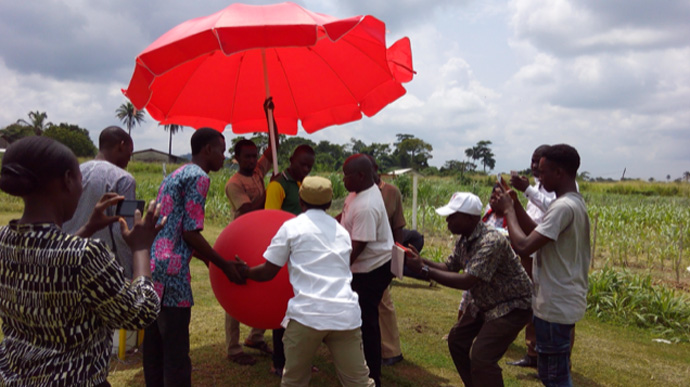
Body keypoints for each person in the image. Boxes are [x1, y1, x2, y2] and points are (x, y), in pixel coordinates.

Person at [0, 136, 163, 386]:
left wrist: (87, 228)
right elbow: (140, 313)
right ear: (67, 180)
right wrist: (141, 249)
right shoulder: (86, 255)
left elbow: (48, 259)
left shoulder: (4, 240)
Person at [242, 176, 375, 387]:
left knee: (294, 381)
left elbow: (268, 271)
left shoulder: (291, 227)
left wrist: (245, 272)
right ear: (330, 203)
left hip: (307, 315)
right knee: (358, 382)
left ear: (301, 200)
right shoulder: (341, 232)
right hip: (345, 315)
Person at [144, 128, 246, 387]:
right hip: (173, 271)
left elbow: (176, 228)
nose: (225, 157)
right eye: (222, 151)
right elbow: (190, 232)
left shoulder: (177, 173)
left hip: (154, 263)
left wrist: (209, 260)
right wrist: (223, 264)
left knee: (154, 344)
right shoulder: (200, 177)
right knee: (176, 351)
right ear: (207, 150)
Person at [404, 192, 533, 387]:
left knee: (482, 357)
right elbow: (449, 267)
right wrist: (420, 260)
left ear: (471, 218)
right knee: (457, 341)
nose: (448, 220)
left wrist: (423, 269)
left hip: (512, 306)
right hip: (486, 301)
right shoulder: (465, 238)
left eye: (453, 216)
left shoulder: (491, 241)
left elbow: (466, 281)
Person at [493, 144, 590, 387]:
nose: (539, 177)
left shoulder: (562, 208)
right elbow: (538, 233)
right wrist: (514, 204)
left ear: (560, 172)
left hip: (556, 304)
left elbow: (525, 246)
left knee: (555, 378)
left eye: (544, 172)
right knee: (550, 374)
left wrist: (508, 212)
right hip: (559, 301)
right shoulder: (571, 204)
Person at [339, 154, 394, 387]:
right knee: (361, 319)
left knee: (366, 321)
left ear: (361, 176)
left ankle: (372, 375)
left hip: (371, 270)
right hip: (363, 267)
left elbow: (358, 246)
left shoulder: (367, 205)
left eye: (346, 176)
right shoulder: (358, 193)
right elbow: (343, 218)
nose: (343, 180)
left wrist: (337, 270)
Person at [223, 137, 276, 365]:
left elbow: (273, 152)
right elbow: (246, 212)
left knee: (267, 283)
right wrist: (272, 188)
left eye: (255, 156)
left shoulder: (257, 172)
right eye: (248, 156)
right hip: (241, 238)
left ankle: (255, 337)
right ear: (237, 158)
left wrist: (269, 118)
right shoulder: (234, 183)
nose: (254, 160)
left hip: (261, 237)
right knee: (236, 289)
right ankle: (233, 348)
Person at [263, 143, 315, 376]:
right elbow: (271, 220)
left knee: (303, 310)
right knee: (282, 311)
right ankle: (280, 360)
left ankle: (301, 358)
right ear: (291, 160)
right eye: (302, 164)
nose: (305, 169)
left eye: (309, 166)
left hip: (305, 254)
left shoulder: (305, 186)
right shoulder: (278, 185)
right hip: (285, 253)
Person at [63, 126, 137, 278]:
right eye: (130, 151)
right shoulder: (124, 179)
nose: (130, 158)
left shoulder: (74, 173)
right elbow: (124, 231)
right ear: (121, 145)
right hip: (103, 269)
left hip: (67, 261)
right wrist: (129, 274)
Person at [506, 144, 554, 368]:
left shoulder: (559, 189)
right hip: (529, 251)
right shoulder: (537, 186)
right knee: (530, 302)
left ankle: (548, 357)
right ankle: (532, 352)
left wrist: (528, 191)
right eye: (533, 161)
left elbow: (552, 210)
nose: (534, 166)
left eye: (539, 163)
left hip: (545, 254)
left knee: (545, 307)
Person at [364, 155, 405, 367]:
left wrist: (398, 255)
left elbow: (398, 225)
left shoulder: (391, 192)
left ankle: (391, 350)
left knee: (383, 301)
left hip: (382, 256)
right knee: (372, 303)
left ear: (375, 169)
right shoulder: (357, 191)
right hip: (363, 256)